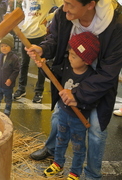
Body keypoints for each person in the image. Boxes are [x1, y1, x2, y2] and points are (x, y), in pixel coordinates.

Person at [27, 0, 122, 179]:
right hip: (69, 77)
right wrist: (43, 49)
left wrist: (77, 96)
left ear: (90, 4)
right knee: (58, 117)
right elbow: (54, 38)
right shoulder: (63, 14)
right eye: (64, 1)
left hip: (98, 85)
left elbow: (108, 73)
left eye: (70, 4)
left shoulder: (115, 25)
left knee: (96, 130)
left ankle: (92, 174)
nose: (64, 8)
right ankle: (53, 153)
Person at [42, 32, 100, 180]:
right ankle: (58, 162)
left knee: (78, 147)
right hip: (63, 113)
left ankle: (75, 172)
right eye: (70, 54)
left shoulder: (91, 77)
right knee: (60, 140)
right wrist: (43, 65)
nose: (70, 58)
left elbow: (93, 99)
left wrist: (78, 101)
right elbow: (52, 75)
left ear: (87, 61)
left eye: (74, 56)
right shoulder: (66, 67)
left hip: (78, 119)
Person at [13, 0, 63, 103]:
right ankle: (21, 89)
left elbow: (62, 6)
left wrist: (50, 17)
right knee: (24, 63)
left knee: (41, 63)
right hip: (26, 32)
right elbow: (25, 10)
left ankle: (39, 91)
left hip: (40, 33)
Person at [0, 34, 19, 117]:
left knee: (8, 99)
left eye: (6, 46)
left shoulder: (14, 58)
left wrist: (10, 79)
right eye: (2, 46)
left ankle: (7, 110)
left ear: (11, 46)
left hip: (8, 85)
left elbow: (16, 70)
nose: (3, 48)